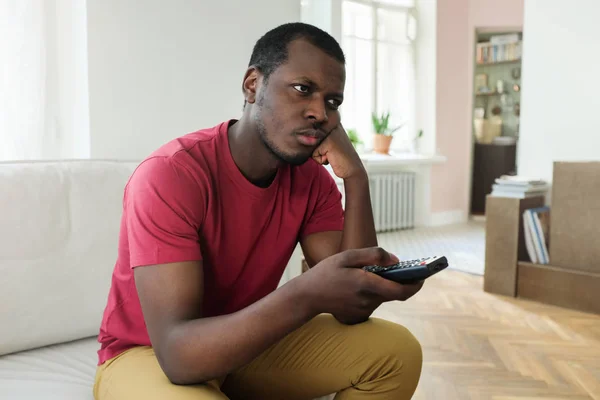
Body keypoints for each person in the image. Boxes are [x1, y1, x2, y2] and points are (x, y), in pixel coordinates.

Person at [93, 22, 424, 400]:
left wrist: (356, 178)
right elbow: (177, 356)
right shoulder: (170, 175)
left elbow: (353, 307)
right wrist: (306, 294)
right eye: (303, 90)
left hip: (248, 344)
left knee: (397, 352)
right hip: (147, 354)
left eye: (333, 102)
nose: (320, 112)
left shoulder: (311, 180)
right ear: (253, 85)